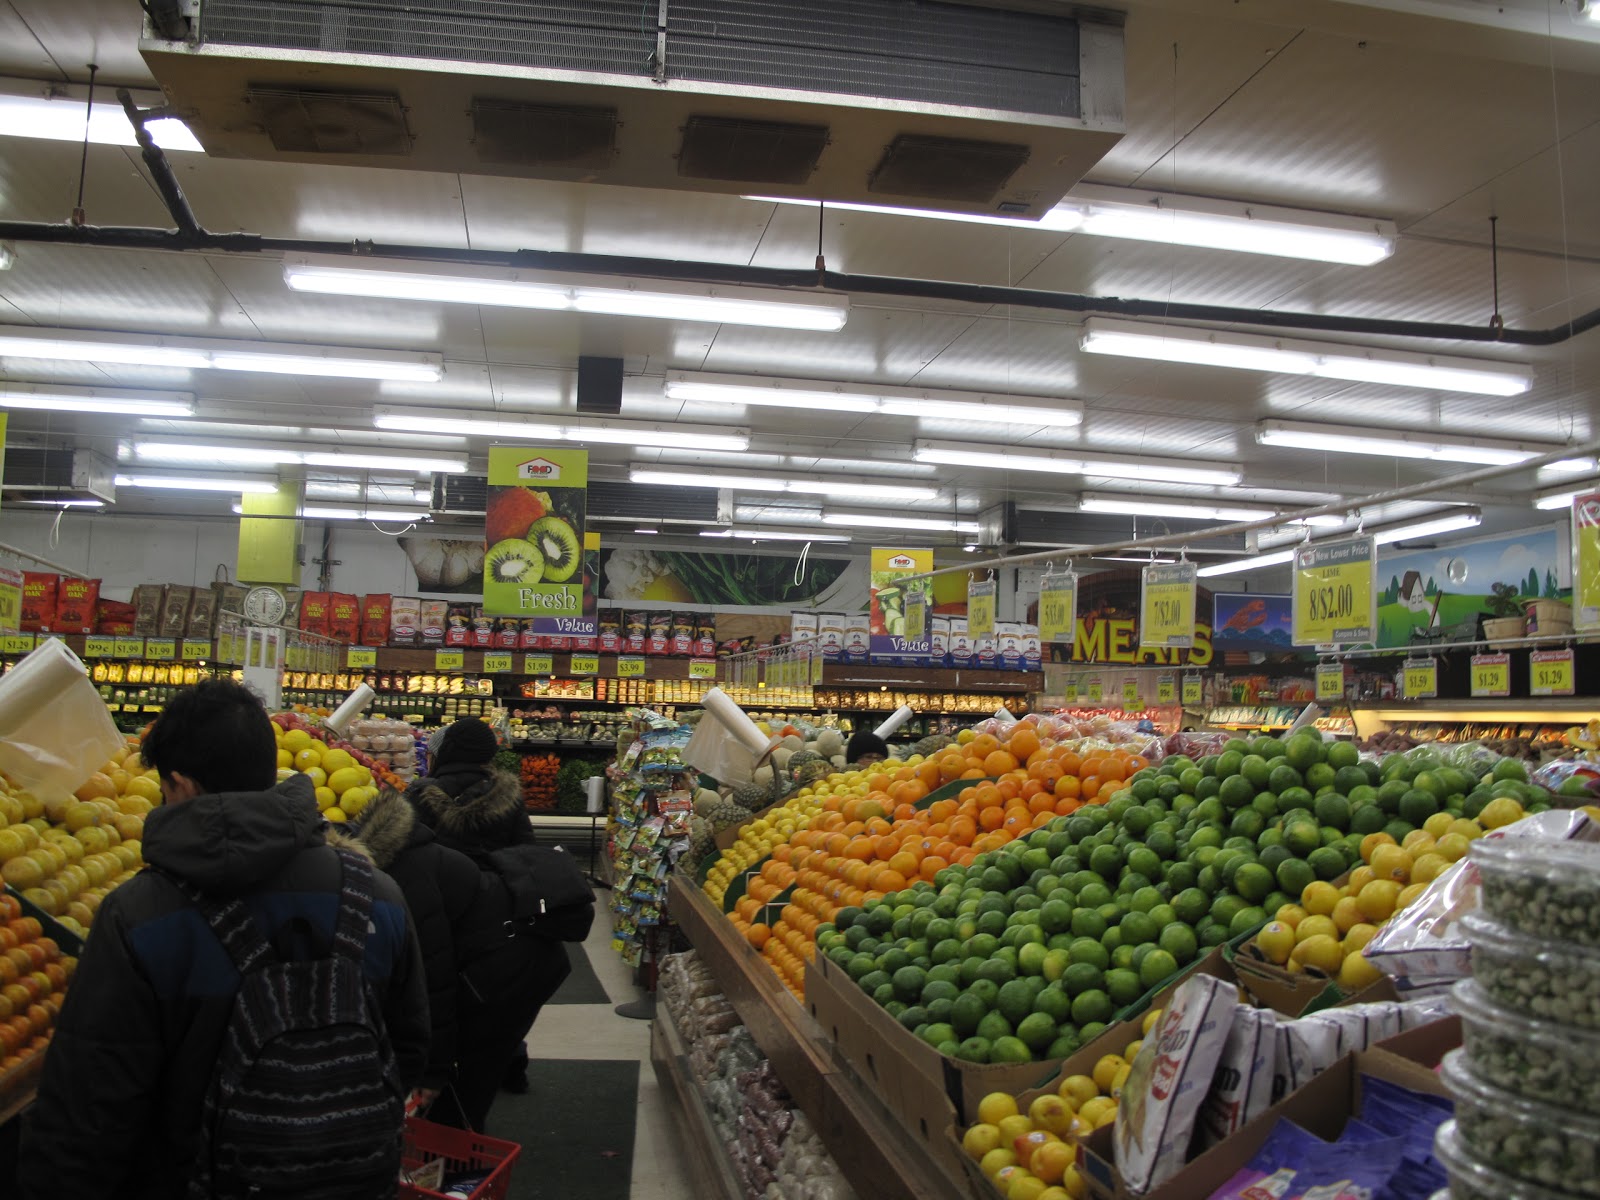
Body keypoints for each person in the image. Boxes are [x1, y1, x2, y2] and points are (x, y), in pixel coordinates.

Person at [19, 679, 430, 1200]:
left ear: (181, 785)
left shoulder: (139, 915)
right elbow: (409, 1044)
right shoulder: (379, 895)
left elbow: (90, 1108)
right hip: (350, 1178)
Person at [408, 717, 572, 1130]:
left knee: (443, 994)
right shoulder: (508, 796)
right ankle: (509, 1065)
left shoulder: (419, 797)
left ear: (444, 752)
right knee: (495, 1002)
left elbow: (409, 854)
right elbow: (525, 853)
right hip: (498, 918)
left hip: (440, 911)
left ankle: (441, 1085)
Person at [332, 785, 485, 1114]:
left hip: (508, 954)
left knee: (462, 1099)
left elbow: (434, 976)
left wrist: (431, 1072)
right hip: (476, 944)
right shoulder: (383, 862)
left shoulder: (398, 883)